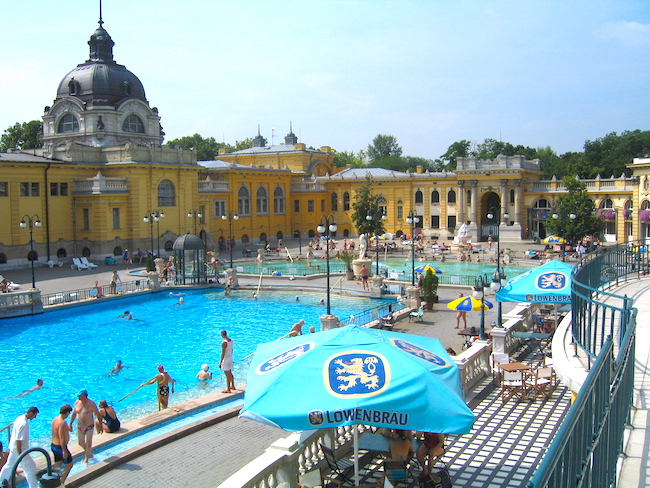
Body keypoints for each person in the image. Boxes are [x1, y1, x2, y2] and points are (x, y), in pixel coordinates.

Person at [0, 407, 39, 488]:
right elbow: (18, 440)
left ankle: (1, 481)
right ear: (31, 413)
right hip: (20, 450)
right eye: (35, 415)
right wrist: (21, 454)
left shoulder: (19, 418)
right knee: (30, 468)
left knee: (9, 465)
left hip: (13, 448)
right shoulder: (23, 423)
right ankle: (34, 486)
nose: (35, 417)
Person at [69, 390, 102, 467]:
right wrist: (70, 424)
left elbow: (98, 415)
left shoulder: (91, 404)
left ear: (84, 395)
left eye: (79, 395)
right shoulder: (77, 402)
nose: (78, 397)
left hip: (89, 427)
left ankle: (86, 460)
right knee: (80, 443)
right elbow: (74, 413)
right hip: (80, 427)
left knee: (88, 443)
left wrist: (100, 425)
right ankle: (89, 454)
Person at [51, 404, 73, 484]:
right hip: (60, 447)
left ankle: (52, 482)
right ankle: (60, 483)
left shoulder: (55, 419)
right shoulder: (62, 423)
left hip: (53, 445)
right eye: (69, 413)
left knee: (57, 466)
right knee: (69, 465)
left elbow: (55, 432)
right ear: (67, 412)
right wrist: (64, 450)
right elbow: (61, 438)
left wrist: (68, 429)